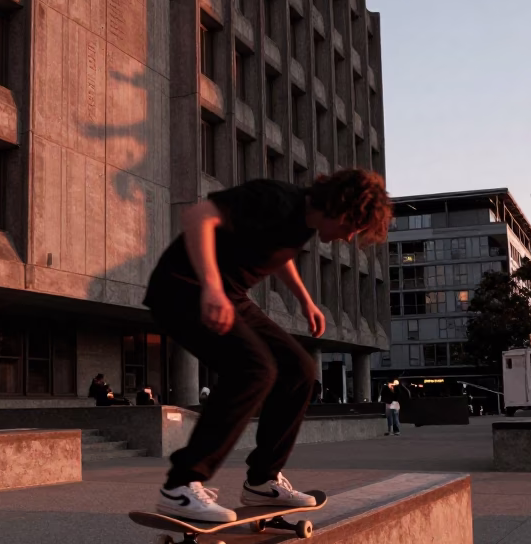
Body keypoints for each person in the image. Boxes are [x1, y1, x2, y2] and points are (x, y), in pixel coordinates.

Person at [144, 169, 392, 522]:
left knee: (300, 370)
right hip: (182, 288)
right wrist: (212, 287)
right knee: (254, 369)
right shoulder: (273, 198)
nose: (349, 237)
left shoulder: (303, 223)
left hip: (232, 295)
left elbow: (280, 253)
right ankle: (180, 486)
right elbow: (198, 216)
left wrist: (305, 299)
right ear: (338, 208)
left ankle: (262, 480)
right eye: (352, 226)